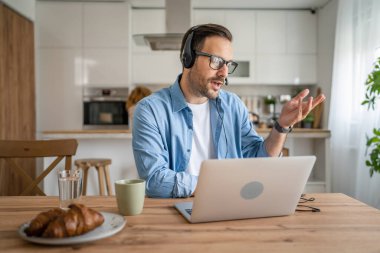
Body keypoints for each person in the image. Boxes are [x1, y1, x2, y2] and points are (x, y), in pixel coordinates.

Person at [132, 24, 325, 198]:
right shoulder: (150, 110)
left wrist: (281, 127)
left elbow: (258, 160)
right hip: (175, 211)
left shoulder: (233, 105)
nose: (224, 73)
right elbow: (154, 181)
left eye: (228, 64)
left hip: (231, 206)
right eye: (216, 61)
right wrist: (220, 187)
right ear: (188, 59)